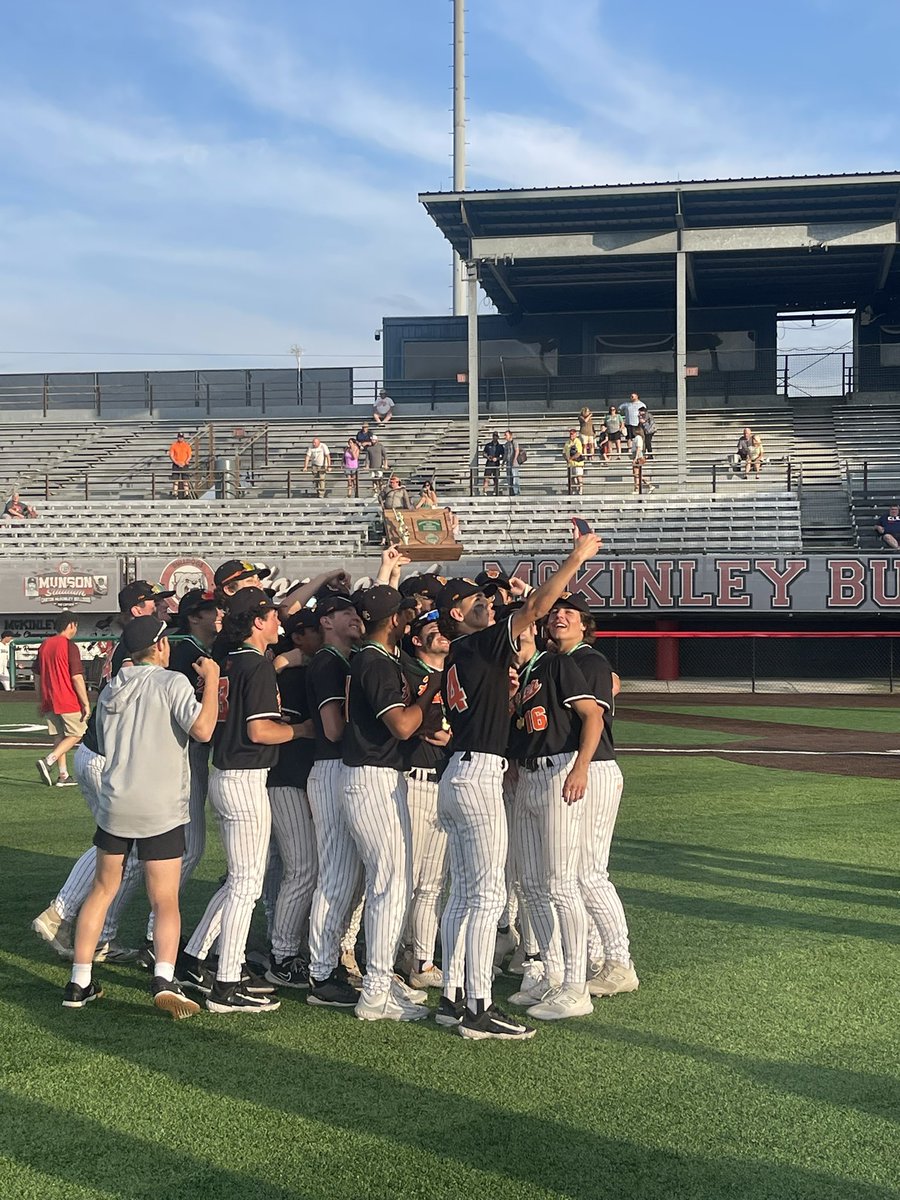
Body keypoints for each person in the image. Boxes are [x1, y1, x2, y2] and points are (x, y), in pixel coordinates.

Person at [435, 530, 603, 1041]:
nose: (488, 604)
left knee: (464, 892)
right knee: (487, 895)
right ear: (459, 616)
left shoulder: (459, 657)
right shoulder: (481, 645)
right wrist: (577, 557)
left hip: (457, 772)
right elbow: (535, 606)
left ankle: (452, 998)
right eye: (476, 601)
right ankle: (478, 1008)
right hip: (479, 773)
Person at [61, 615, 220, 1019]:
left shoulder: (114, 686)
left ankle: (79, 982)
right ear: (162, 646)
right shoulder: (172, 682)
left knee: (101, 890)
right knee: (164, 899)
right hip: (161, 807)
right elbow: (203, 730)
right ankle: (164, 981)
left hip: (117, 802)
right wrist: (214, 682)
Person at [178, 587, 305, 1014]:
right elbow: (260, 732)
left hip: (228, 772)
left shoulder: (231, 660)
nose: (279, 623)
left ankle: (195, 957)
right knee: (247, 885)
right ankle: (227, 982)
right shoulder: (254, 664)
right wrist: (300, 731)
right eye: (272, 615)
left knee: (240, 881)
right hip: (245, 775)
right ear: (256, 621)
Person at [343, 584, 442, 1021]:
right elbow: (402, 726)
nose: (410, 618)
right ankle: (376, 991)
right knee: (388, 886)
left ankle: (380, 984)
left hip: (378, 775)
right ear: (397, 620)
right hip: (372, 777)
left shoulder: (375, 658)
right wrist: (428, 694)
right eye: (406, 614)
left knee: (390, 885)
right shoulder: (375, 661)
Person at [506, 614, 603, 1021]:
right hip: (528, 774)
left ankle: (577, 987)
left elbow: (592, 715)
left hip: (559, 769)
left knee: (561, 884)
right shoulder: (518, 675)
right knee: (530, 884)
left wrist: (581, 767)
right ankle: (553, 971)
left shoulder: (555, 662)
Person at [544, 593, 637, 998]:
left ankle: (620, 961)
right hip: (578, 767)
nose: (560, 616)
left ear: (585, 625)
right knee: (576, 873)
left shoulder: (591, 661)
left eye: (570, 612)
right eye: (556, 611)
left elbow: (594, 718)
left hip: (594, 767)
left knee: (590, 873)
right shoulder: (557, 661)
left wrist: (580, 767)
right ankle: (597, 956)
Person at [305, 595, 368, 1009]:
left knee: (350, 875)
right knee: (335, 874)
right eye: (346, 612)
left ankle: (334, 960)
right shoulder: (328, 662)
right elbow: (331, 729)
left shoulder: (348, 658)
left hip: (340, 768)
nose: (355, 617)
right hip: (329, 768)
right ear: (326, 621)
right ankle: (321, 972)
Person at [398, 606, 451, 991]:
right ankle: (391, 955)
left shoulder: (455, 676)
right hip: (413, 779)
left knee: (432, 883)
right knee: (407, 878)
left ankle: (421, 959)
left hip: (444, 782)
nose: (440, 633)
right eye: (432, 630)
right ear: (417, 640)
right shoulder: (408, 672)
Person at [34, 612, 90, 788]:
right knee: (77, 733)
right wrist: (86, 703)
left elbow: (36, 674)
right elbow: (76, 677)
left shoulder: (44, 645)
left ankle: (63, 775)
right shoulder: (69, 646)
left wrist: (40, 699)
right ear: (72, 625)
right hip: (67, 698)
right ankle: (48, 761)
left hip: (49, 698)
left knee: (60, 735)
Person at [167, 433, 192, 499]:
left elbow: (189, 455)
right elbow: (171, 455)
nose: (180, 438)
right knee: (175, 479)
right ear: (177, 437)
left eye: (181, 437)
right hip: (176, 464)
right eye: (179, 437)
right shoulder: (174, 445)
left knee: (185, 480)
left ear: (183, 438)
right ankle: (175, 493)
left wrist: (186, 461)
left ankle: (187, 494)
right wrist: (176, 462)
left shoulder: (187, 445)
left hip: (184, 464)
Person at [563, 429, 585, 495]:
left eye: (572, 434)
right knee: (571, 478)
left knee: (579, 477)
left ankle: (580, 489)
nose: (571, 435)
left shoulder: (577, 442)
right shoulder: (567, 442)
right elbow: (564, 452)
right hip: (570, 463)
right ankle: (574, 489)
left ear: (576, 434)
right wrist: (566, 458)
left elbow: (579, 453)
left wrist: (571, 458)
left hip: (577, 463)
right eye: (570, 434)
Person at [502, 429, 522, 496]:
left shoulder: (514, 442)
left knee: (515, 478)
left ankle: (517, 493)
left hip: (514, 463)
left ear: (510, 435)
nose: (505, 436)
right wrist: (503, 462)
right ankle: (511, 493)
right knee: (509, 478)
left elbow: (517, 451)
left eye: (506, 435)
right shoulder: (506, 444)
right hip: (508, 463)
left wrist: (514, 459)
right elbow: (505, 454)